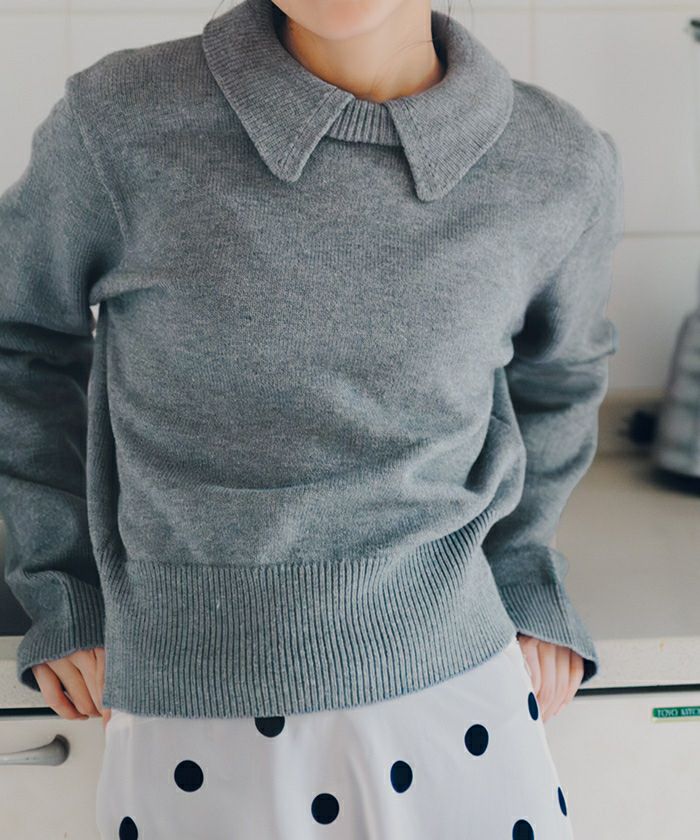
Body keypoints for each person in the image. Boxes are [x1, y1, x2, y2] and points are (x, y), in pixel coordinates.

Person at [0, 0, 623, 836]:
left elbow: (561, 377)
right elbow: (17, 340)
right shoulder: (120, 123)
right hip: (193, 704)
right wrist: (61, 584)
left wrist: (524, 574)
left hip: (463, 695)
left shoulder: (559, 163)